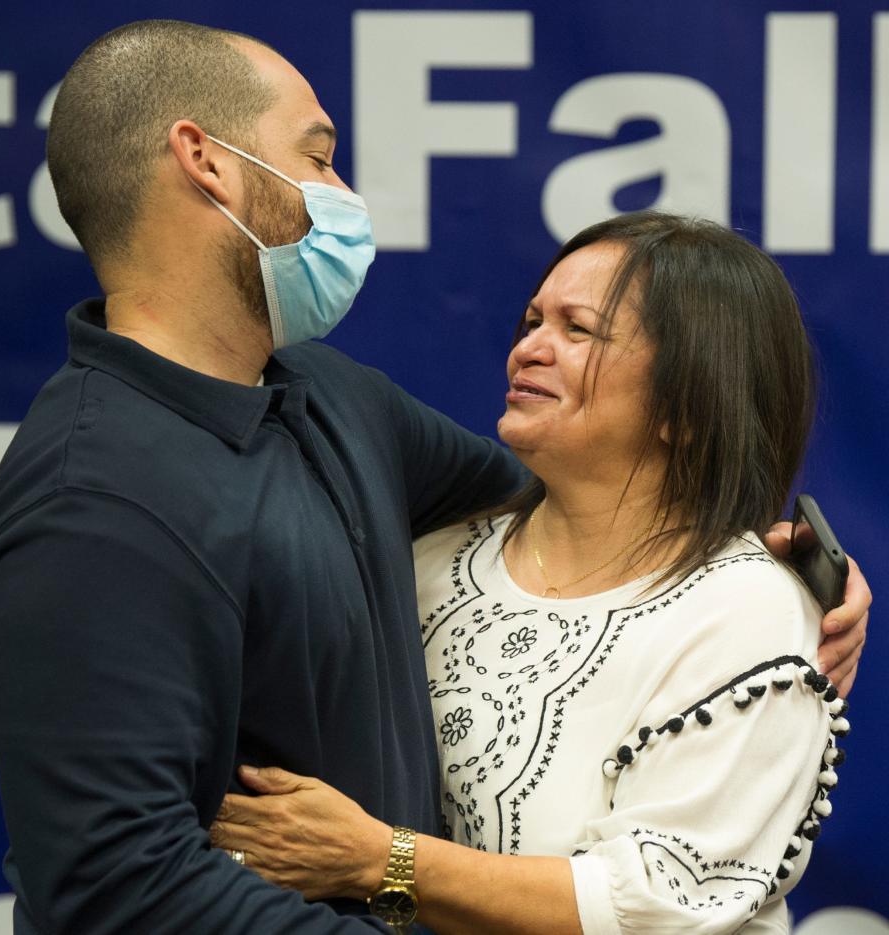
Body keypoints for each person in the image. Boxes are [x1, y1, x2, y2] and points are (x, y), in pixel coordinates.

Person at [0, 19, 528, 935]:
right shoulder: (90, 503)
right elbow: (119, 889)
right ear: (207, 161)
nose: (343, 195)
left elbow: (546, 507)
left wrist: (748, 568)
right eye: (318, 158)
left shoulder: (332, 392)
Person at [209, 213, 860, 933]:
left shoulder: (746, 609)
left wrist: (377, 860)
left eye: (578, 330)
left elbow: (651, 905)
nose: (529, 349)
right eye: (531, 321)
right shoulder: (432, 562)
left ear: (690, 402)